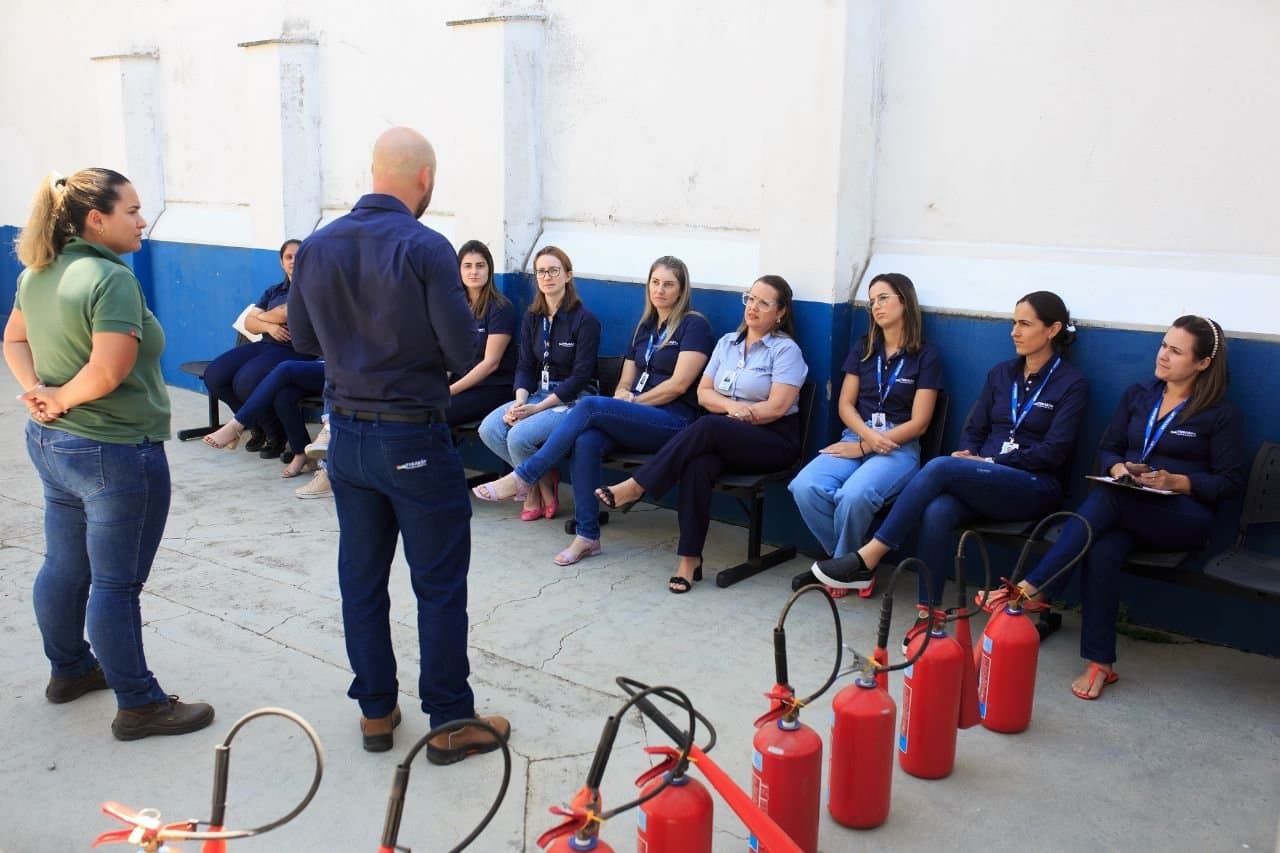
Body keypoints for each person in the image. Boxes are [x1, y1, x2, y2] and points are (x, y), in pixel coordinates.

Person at [287, 127, 509, 760]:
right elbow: (464, 349)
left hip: (347, 440)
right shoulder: (426, 246)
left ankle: (377, 714)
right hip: (412, 435)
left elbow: (302, 340)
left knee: (361, 577)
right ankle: (450, 722)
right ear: (425, 180)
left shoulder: (319, 246)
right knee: (437, 583)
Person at [4, 168, 214, 740]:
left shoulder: (39, 271)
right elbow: (107, 370)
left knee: (64, 564)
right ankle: (139, 703)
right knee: (116, 585)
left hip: (55, 446)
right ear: (96, 220)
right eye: (132, 210)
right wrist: (57, 396)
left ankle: (70, 670)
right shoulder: (109, 278)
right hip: (114, 451)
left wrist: (40, 397)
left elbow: (14, 339)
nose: (142, 220)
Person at [982, 316, 1244, 699]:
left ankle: (1033, 586)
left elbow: (1230, 481)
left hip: (1184, 517)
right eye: (1163, 345)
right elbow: (1106, 449)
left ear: (1203, 363)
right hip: (1129, 505)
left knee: (1108, 498)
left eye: (1176, 351)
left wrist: (1180, 481)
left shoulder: (1221, 414)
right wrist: (1119, 467)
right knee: (1102, 546)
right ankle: (1100, 663)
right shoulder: (1140, 394)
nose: (1163, 356)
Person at [811, 291, 1089, 623]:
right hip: (986, 479)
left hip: (1034, 486)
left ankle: (869, 555)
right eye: (1014, 323)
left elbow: (1055, 451)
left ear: (1053, 329)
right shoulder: (1002, 374)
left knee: (941, 466)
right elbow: (975, 428)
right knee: (939, 509)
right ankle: (929, 613)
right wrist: (969, 454)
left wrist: (990, 464)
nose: (1014, 332)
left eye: (1025, 324)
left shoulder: (1073, 384)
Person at [472, 256, 714, 566]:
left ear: (681, 290)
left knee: (588, 405)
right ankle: (588, 536)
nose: (660, 290)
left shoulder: (694, 325)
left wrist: (632, 403)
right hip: (636, 415)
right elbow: (626, 379)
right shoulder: (646, 326)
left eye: (668, 284)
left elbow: (678, 385)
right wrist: (624, 394)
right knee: (586, 441)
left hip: (672, 421)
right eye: (655, 283)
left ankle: (525, 476)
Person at [594, 276, 808, 592]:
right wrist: (732, 409)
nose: (753, 307)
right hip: (725, 432)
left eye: (764, 302)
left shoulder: (785, 350)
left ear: (780, 312)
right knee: (698, 464)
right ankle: (689, 561)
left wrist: (735, 413)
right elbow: (704, 394)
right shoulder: (727, 344)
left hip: (771, 440)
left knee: (707, 425)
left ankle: (637, 486)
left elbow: (777, 407)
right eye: (750, 298)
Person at [788, 273, 942, 595]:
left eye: (884, 297)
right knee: (805, 486)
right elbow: (845, 405)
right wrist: (863, 441)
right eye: (872, 301)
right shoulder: (864, 348)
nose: (876, 306)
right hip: (856, 438)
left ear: (905, 301)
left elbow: (921, 422)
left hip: (898, 447)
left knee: (853, 496)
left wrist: (870, 444)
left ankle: (845, 568)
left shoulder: (925, 356)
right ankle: (851, 565)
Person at [476, 246, 601, 520]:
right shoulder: (533, 317)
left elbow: (580, 377)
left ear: (568, 275)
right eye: (541, 271)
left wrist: (538, 408)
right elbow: (524, 365)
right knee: (490, 429)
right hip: (535, 394)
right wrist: (521, 402)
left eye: (554, 270)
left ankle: (532, 484)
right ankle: (541, 481)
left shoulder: (585, 320)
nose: (547, 277)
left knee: (519, 436)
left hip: (573, 400)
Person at [201, 238, 317, 459]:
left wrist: (263, 318)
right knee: (215, 375)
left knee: (246, 381)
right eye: (288, 257)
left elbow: (285, 313)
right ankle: (260, 427)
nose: (294, 261)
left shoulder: (313, 288)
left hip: (296, 350)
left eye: (299, 256)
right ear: (281, 263)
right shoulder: (274, 290)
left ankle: (275, 434)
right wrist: (270, 326)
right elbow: (248, 323)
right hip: (267, 343)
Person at [199, 358, 326, 477]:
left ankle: (237, 425)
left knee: (286, 368)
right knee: (283, 397)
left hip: (341, 369)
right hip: (323, 363)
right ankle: (301, 452)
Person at [448, 240, 517, 425]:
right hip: (462, 382)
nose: (474, 272)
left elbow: (490, 364)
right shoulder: (455, 307)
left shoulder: (501, 308)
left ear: (489, 269)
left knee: (439, 413)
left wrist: (449, 391)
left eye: (480, 265)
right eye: (467, 266)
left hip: (493, 386)